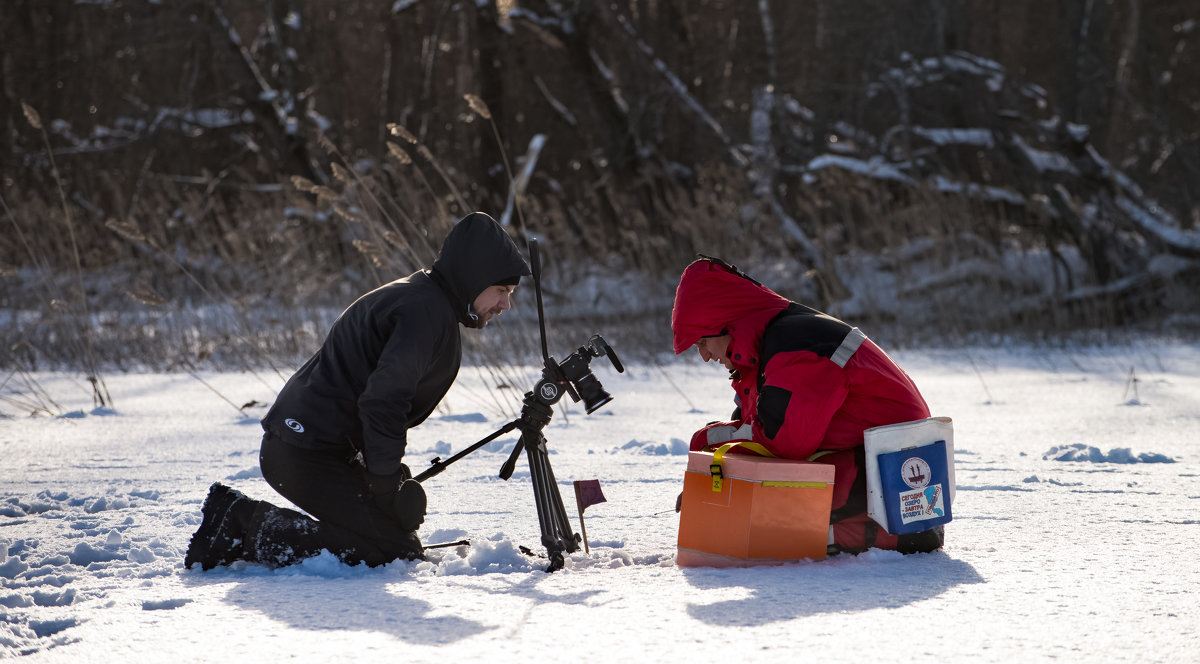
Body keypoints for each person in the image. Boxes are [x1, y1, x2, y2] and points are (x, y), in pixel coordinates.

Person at [184, 212, 531, 570]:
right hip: (300, 451)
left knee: (396, 543)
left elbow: (375, 397)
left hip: (324, 449)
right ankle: (239, 522)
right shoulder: (424, 312)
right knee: (388, 553)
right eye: (502, 291)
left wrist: (385, 476)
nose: (505, 305)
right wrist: (384, 487)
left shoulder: (426, 300)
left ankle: (253, 523)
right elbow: (383, 402)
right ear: (474, 279)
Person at [671, 255, 943, 554]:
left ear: (727, 326)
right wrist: (710, 473)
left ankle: (890, 535)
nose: (705, 356)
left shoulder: (794, 345)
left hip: (899, 474)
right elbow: (755, 431)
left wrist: (705, 443)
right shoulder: (771, 348)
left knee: (771, 510)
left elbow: (783, 443)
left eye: (702, 343)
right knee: (757, 497)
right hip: (884, 464)